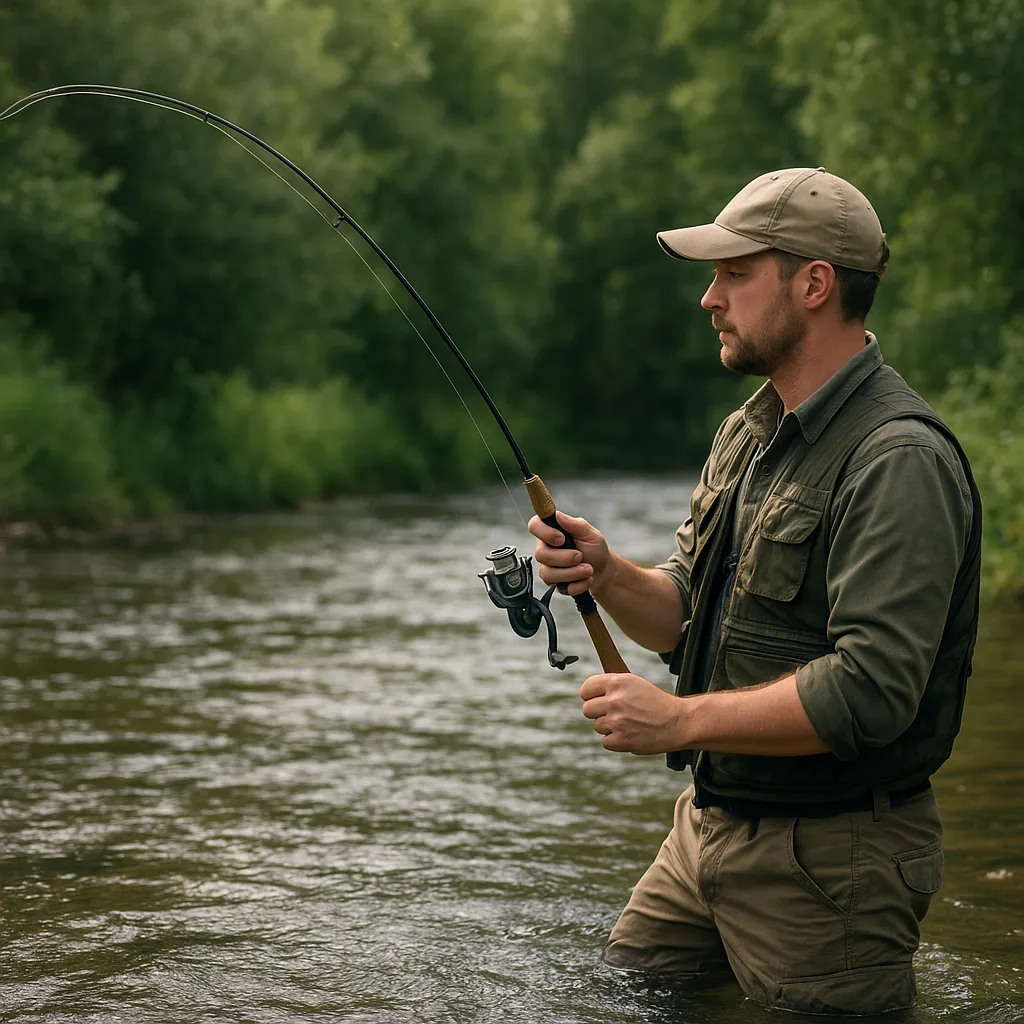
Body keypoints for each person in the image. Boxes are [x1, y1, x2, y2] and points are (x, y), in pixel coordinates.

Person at [528, 167, 981, 1015]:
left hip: (833, 863)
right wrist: (608, 573)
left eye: (735, 274)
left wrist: (679, 720)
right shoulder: (746, 432)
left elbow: (873, 690)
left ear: (814, 284)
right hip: (707, 828)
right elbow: (685, 615)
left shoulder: (899, 461)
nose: (710, 298)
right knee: (622, 998)